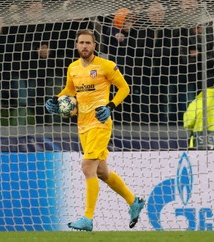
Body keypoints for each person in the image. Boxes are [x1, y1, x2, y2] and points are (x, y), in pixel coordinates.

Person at [45, 29, 145, 231]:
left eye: (88, 43)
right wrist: (56, 99)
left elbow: (124, 88)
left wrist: (110, 107)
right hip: (82, 125)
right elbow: (70, 91)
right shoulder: (73, 67)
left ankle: (88, 219)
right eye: (81, 42)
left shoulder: (105, 66)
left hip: (100, 124)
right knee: (101, 171)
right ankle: (134, 202)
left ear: (94, 46)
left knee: (87, 168)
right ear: (76, 45)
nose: (84, 46)